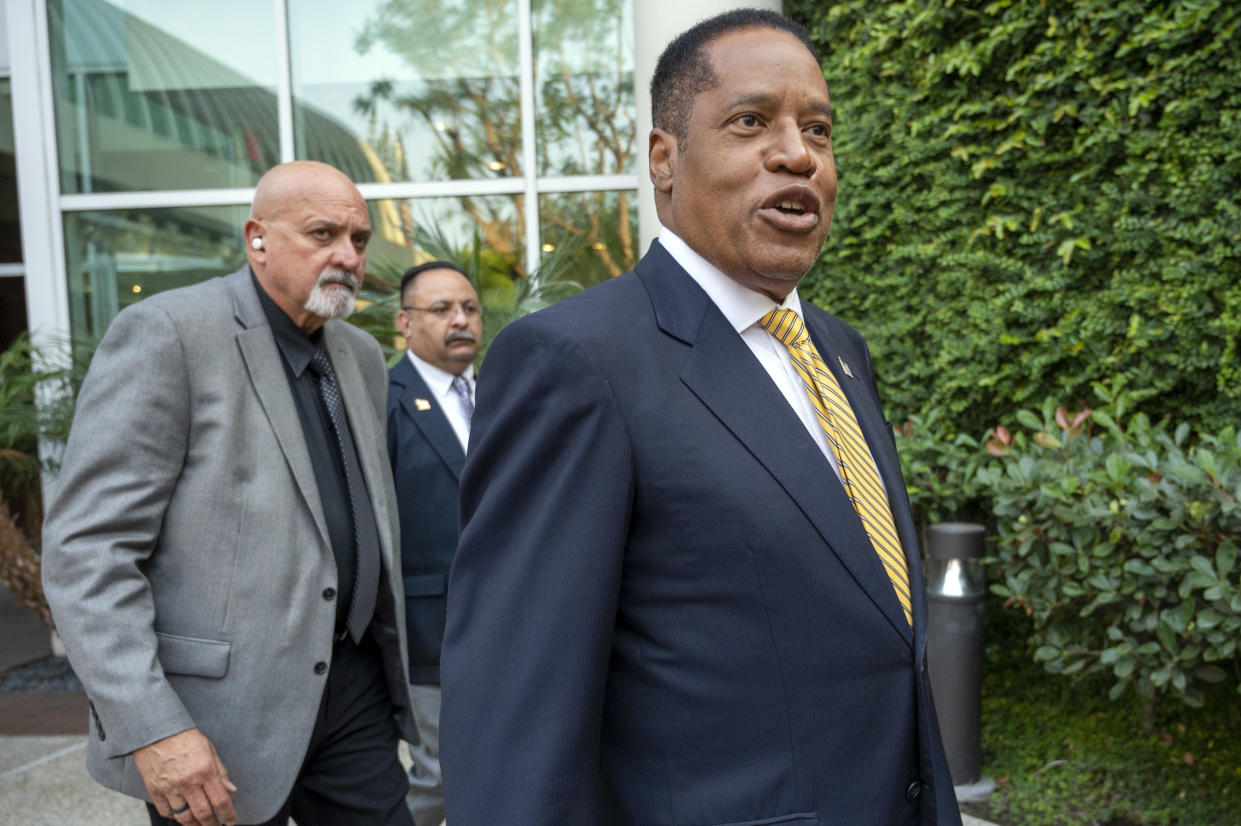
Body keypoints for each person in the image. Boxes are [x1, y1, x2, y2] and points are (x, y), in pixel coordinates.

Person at [439, 9, 962, 826]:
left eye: (817, 130)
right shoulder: (575, 363)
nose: (796, 153)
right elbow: (518, 718)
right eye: (750, 122)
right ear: (663, 159)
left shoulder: (838, 349)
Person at [42, 160, 416, 826]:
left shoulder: (358, 356)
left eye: (358, 239)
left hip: (352, 686)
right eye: (323, 233)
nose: (347, 256)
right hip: (216, 717)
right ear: (257, 238)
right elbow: (86, 550)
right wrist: (152, 726)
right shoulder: (170, 333)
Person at [386, 260, 482, 825]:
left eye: (469, 308)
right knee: (438, 774)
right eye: (442, 309)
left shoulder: (499, 391)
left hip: (506, 620)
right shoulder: (383, 400)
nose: (460, 319)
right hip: (429, 628)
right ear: (406, 322)